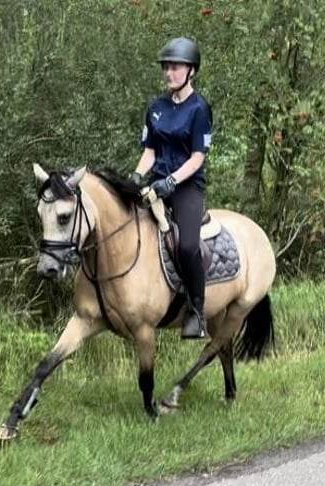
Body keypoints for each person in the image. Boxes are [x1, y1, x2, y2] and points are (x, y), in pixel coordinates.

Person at [131, 36, 213, 339]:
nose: (168, 72)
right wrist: (136, 177)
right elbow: (150, 152)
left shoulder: (199, 108)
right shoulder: (156, 107)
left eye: (175, 67)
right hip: (157, 185)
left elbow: (197, 158)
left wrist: (172, 181)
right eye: (166, 67)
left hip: (186, 188)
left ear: (191, 71)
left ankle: (198, 312)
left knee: (188, 246)